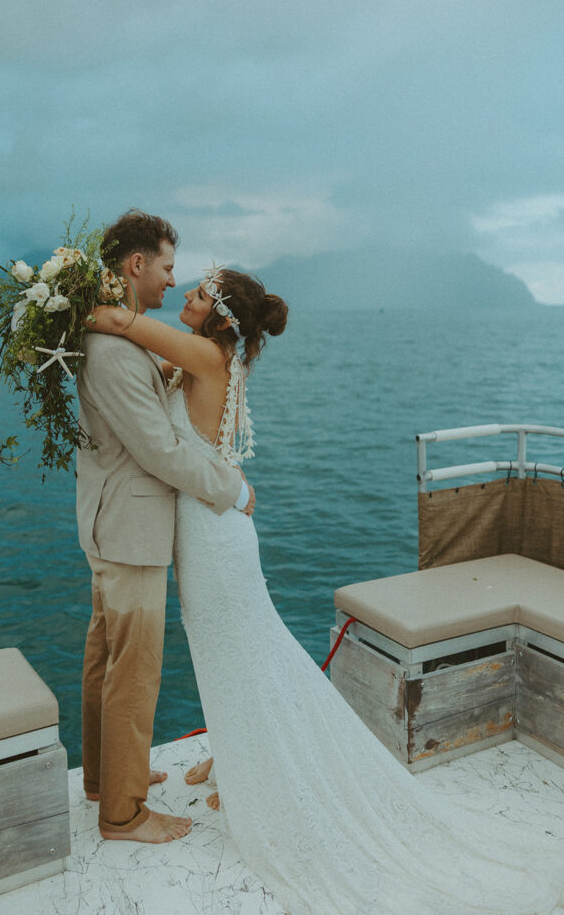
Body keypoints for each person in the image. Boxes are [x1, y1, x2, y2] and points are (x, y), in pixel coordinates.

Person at [87, 265, 563, 915]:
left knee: (238, 648)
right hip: (207, 527)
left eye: (198, 294)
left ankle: (251, 766)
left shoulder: (202, 351)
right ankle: (233, 758)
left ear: (220, 315)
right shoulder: (209, 355)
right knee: (229, 647)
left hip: (211, 533)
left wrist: (58, 309)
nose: (187, 298)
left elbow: (117, 321)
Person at [76, 211, 254, 846]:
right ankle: (123, 814)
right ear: (135, 265)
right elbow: (159, 451)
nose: (172, 280)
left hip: (115, 521)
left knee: (106, 657)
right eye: (168, 267)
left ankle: (103, 778)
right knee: (134, 667)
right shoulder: (116, 352)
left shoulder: (123, 342)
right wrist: (232, 489)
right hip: (131, 528)